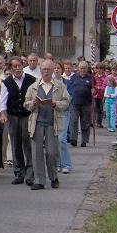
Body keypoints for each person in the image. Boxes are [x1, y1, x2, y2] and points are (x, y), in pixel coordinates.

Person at [24, 60, 70, 190]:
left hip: (52, 122)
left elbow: (66, 102)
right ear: (41, 70)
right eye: (44, 69)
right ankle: (39, 180)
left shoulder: (59, 86)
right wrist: (33, 103)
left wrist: (55, 104)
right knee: (37, 153)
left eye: (48, 69)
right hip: (37, 123)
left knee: (52, 153)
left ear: (52, 70)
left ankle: (53, 177)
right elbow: (26, 104)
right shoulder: (34, 86)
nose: (46, 71)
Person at [0, 56, 35, 186]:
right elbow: (2, 101)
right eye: (14, 66)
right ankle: (19, 172)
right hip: (13, 116)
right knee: (16, 145)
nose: (17, 68)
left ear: (22, 65)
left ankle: (31, 174)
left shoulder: (32, 80)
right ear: (11, 68)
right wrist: (2, 113)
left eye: (19, 65)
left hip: (27, 116)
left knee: (28, 145)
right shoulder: (6, 82)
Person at [54, 62, 73, 174]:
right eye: (55, 68)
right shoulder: (50, 83)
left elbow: (70, 97)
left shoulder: (67, 83)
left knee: (62, 138)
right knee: (55, 139)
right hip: (53, 112)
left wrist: (59, 103)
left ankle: (66, 164)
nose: (56, 70)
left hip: (64, 112)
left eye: (58, 68)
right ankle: (58, 163)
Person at [69, 61, 92, 147]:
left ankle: (84, 140)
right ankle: (73, 139)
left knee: (85, 122)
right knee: (74, 120)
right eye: (81, 68)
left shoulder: (91, 78)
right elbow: (70, 88)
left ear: (87, 69)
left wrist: (94, 91)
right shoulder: (74, 77)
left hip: (86, 102)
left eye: (84, 68)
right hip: (75, 102)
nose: (82, 70)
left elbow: (96, 89)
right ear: (78, 68)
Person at [91, 63, 106, 128]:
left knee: (100, 109)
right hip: (95, 95)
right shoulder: (94, 76)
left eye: (100, 69)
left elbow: (106, 86)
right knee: (93, 109)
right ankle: (92, 121)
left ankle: (99, 122)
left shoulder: (105, 77)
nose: (99, 70)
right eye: (98, 68)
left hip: (101, 95)